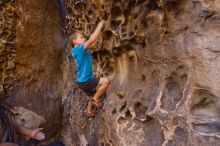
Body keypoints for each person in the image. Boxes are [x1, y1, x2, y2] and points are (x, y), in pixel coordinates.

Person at [69, 20, 110, 117]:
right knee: (106, 81)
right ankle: (95, 99)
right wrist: (99, 25)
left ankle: (89, 112)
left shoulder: (78, 51)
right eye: (81, 37)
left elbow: (91, 42)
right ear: (74, 41)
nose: (83, 39)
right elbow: (91, 40)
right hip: (85, 81)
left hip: (82, 81)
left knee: (93, 94)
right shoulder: (78, 49)